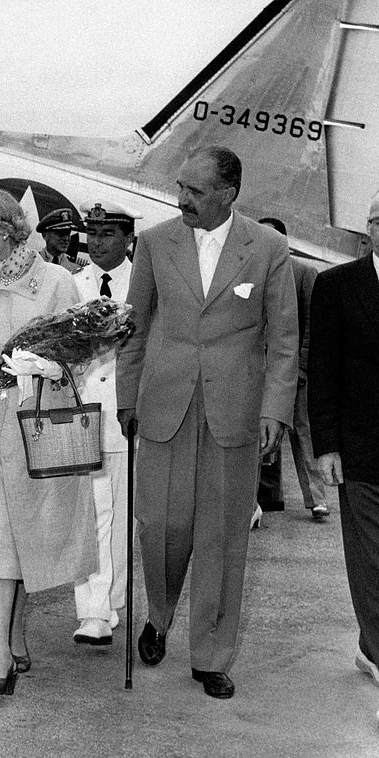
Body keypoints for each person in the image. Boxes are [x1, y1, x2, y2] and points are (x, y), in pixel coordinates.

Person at [116, 146, 298, 699]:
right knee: (161, 527)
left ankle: (211, 655)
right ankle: (160, 611)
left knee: (221, 537)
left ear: (228, 194)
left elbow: (283, 339)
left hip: (235, 413)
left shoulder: (267, 248)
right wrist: (128, 399)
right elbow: (134, 327)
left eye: (195, 191)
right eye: (181, 188)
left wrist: (275, 411)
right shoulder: (154, 242)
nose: (183, 199)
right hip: (165, 406)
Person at [0, 189, 95, 696]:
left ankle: (16, 631)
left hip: (35, 428)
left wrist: (38, 366)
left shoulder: (57, 282)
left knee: (22, 532)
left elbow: (77, 356)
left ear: (8, 230)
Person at [308, 190, 379, 695]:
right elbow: (323, 371)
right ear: (369, 227)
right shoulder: (336, 285)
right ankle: (377, 650)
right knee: (370, 555)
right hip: (361, 447)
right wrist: (326, 445)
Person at [71, 199, 141, 645]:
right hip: (85, 412)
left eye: (107, 234)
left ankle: (112, 602)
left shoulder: (145, 283)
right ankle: (92, 611)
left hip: (132, 411)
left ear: (128, 238)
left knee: (125, 514)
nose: (96, 242)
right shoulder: (72, 284)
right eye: (92, 233)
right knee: (93, 512)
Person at [257, 216, 328, 522]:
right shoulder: (255, 273)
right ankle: (262, 498)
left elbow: (314, 323)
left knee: (303, 432)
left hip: (295, 371)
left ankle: (316, 499)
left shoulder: (303, 273)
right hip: (261, 369)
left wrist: (302, 365)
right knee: (262, 433)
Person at [36, 207, 88, 273]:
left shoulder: (77, 267)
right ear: (45, 236)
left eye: (68, 234)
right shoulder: (34, 262)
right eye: (61, 234)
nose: (66, 239)